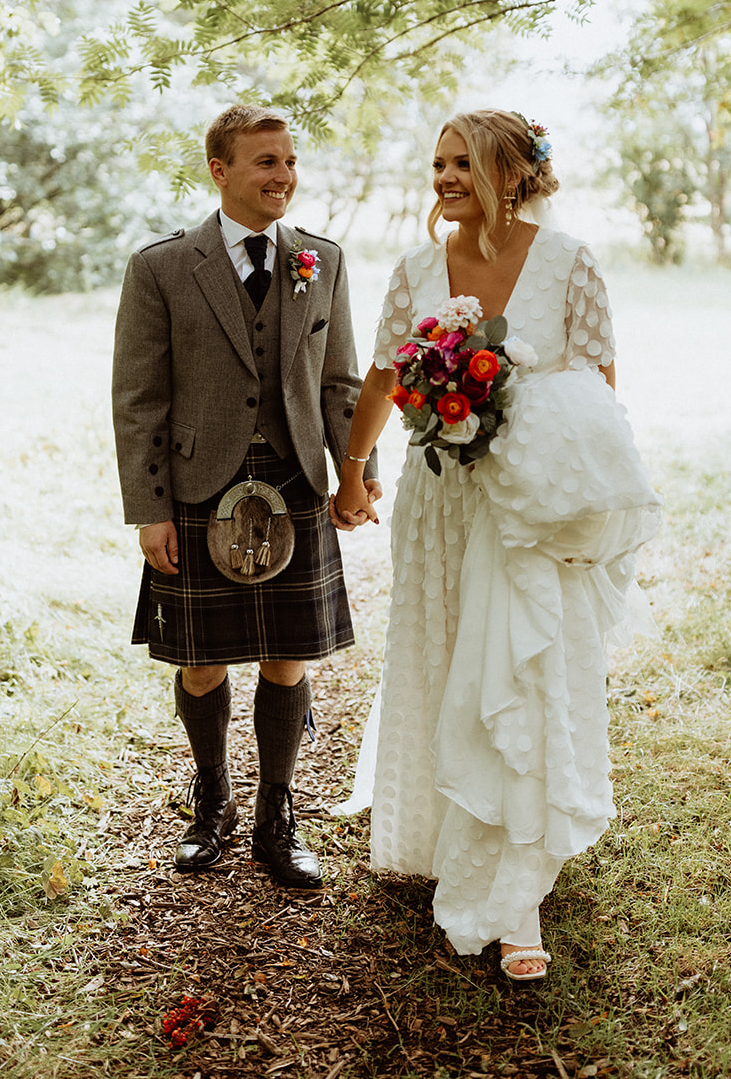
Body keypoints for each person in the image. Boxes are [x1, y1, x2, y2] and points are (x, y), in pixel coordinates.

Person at [332, 109, 660, 979]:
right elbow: (384, 375)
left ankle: (516, 897)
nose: (444, 178)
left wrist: (587, 506)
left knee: (519, 677)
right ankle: (443, 831)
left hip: (528, 510)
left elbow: (598, 394)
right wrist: (354, 469)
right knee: (444, 658)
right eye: (437, 163)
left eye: (463, 164)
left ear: (513, 174)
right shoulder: (413, 270)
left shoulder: (569, 263)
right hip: (440, 503)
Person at [113, 103, 379, 890]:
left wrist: (355, 473)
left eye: (290, 161)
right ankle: (211, 801)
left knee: (287, 658)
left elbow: (340, 383)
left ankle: (276, 812)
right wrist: (150, 508)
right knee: (199, 664)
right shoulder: (161, 267)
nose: (284, 176)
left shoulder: (320, 261)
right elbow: (139, 399)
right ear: (219, 170)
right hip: (200, 485)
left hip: (295, 479)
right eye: (265, 162)